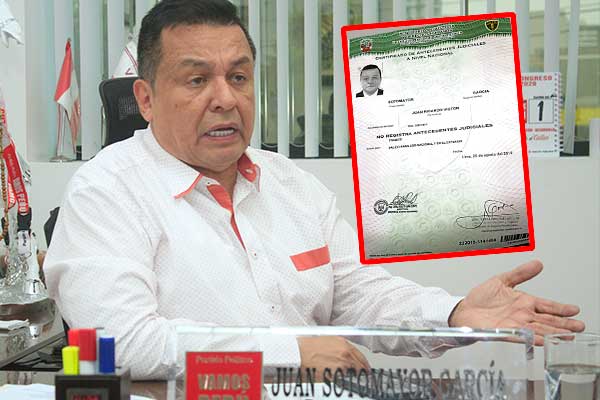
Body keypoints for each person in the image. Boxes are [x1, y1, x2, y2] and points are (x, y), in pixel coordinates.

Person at [44, 0, 584, 380]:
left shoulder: (291, 185)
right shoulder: (106, 191)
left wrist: (454, 313)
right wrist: (290, 351)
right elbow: (121, 342)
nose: (225, 99)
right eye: (196, 79)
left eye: (238, 77)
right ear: (144, 99)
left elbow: (360, 296)